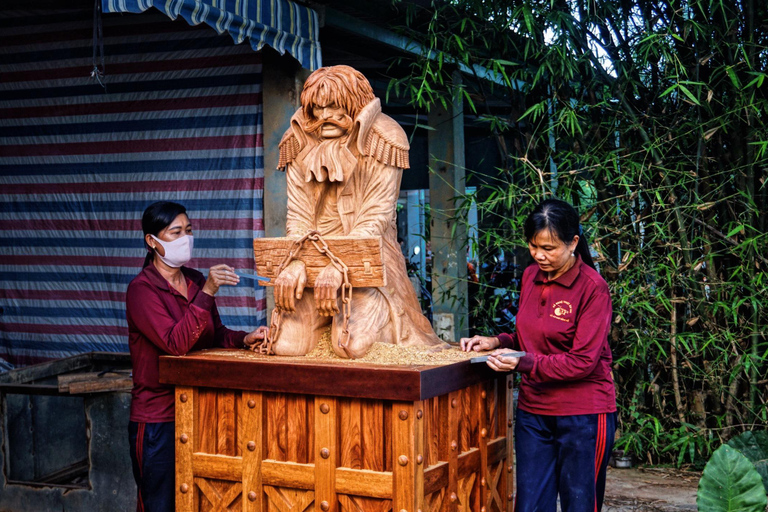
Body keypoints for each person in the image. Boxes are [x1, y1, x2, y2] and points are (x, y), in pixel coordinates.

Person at [271, 65, 444, 358]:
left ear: (354, 103)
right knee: (286, 346)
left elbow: (376, 216)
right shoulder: (297, 140)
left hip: (365, 263)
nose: (325, 116)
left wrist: (340, 267)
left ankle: (382, 313)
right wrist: (295, 262)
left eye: (335, 107)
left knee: (349, 346)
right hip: (313, 260)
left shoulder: (386, 137)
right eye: (317, 108)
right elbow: (298, 214)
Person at [460, 198, 616, 512]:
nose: (539, 255)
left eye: (549, 248)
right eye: (533, 246)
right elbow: (532, 335)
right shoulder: (531, 276)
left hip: (583, 413)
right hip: (534, 411)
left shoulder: (593, 288)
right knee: (530, 505)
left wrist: (523, 362)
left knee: (580, 504)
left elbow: (582, 361)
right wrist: (495, 340)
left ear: (573, 242)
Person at [125, 201, 267, 512]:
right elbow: (177, 343)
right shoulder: (142, 290)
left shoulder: (194, 280)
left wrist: (245, 339)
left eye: (188, 230)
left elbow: (214, 335)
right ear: (152, 241)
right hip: (158, 419)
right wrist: (210, 291)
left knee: (198, 501)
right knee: (158, 504)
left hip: (199, 411)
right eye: (175, 232)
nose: (186, 238)